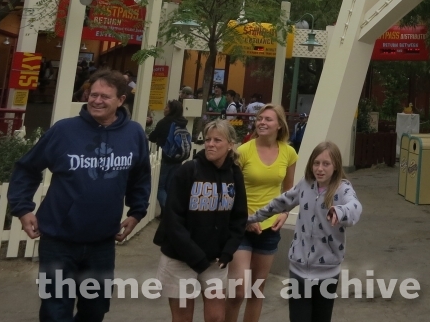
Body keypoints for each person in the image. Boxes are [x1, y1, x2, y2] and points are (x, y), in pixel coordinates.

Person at [7, 69, 151, 322]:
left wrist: (137, 212)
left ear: (121, 100)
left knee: (95, 309)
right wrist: (22, 208)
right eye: (92, 94)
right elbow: (27, 168)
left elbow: (140, 176)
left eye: (105, 96)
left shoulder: (134, 134)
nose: (96, 100)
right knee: (56, 309)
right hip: (59, 240)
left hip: (102, 242)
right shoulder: (64, 131)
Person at [247, 141, 361, 322]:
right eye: (316, 163)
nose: (320, 169)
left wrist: (340, 212)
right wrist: (251, 219)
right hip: (299, 270)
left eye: (326, 164)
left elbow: (355, 208)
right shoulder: (305, 185)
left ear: (336, 166)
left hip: (327, 272)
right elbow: (280, 202)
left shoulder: (343, 189)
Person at [155, 119, 247, 322]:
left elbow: (239, 217)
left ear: (230, 144)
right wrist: (194, 255)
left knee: (215, 317)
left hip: (216, 260)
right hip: (180, 257)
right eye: (207, 140)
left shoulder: (234, 174)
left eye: (217, 140)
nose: (211, 144)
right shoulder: (188, 170)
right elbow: (172, 217)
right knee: (183, 318)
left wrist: (228, 251)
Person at [228, 103, 298, 322]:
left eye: (268, 119)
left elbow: (289, 191)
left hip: (269, 229)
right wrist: (247, 219)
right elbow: (231, 191)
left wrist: (284, 214)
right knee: (238, 289)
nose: (262, 122)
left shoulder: (288, 152)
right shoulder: (243, 151)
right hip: (241, 226)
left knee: (256, 290)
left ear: (279, 125)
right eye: (260, 118)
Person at [149, 99, 192, 209]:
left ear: (171, 110)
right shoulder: (182, 123)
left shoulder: (164, 122)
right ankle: (166, 214)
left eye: (167, 107)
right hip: (178, 159)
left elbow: (152, 137)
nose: (165, 109)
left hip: (165, 158)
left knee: (159, 187)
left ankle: (169, 211)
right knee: (170, 187)